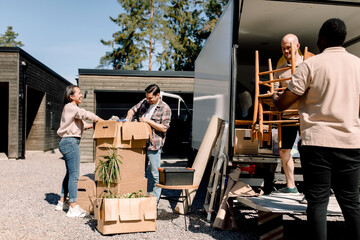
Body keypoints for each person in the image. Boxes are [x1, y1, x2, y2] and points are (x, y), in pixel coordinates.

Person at [272, 18, 360, 240]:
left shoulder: (310, 65)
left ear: (322, 40)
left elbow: (283, 104)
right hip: (351, 142)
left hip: (317, 144)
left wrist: (275, 97)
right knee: (351, 201)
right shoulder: (358, 65)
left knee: (318, 201)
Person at [56, 85, 103, 218]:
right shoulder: (71, 107)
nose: (81, 95)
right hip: (70, 143)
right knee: (74, 175)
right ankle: (73, 207)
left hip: (68, 142)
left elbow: (82, 124)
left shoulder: (71, 109)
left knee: (70, 174)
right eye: (79, 93)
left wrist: (94, 125)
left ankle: (61, 202)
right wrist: (100, 119)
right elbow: (85, 114)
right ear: (71, 96)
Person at [126, 84, 171, 201]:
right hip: (140, 143)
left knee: (156, 175)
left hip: (154, 145)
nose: (148, 100)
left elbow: (164, 128)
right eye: (147, 97)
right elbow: (132, 110)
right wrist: (129, 116)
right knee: (141, 173)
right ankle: (142, 198)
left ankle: (154, 203)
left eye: (150, 98)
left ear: (157, 95)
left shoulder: (165, 108)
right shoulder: (145, 102)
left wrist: (148, 121)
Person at [271, 34, 302, 196]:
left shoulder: (308, 64)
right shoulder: (280, 68)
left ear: (297, 46)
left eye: (288, 47)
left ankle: (312, 190)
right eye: (283, 48)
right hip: (287, 117)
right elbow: (274, 89)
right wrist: (273, 94)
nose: (285, 50)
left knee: (310, 152)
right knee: (284, 151)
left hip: (305, 116)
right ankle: (291, 186)